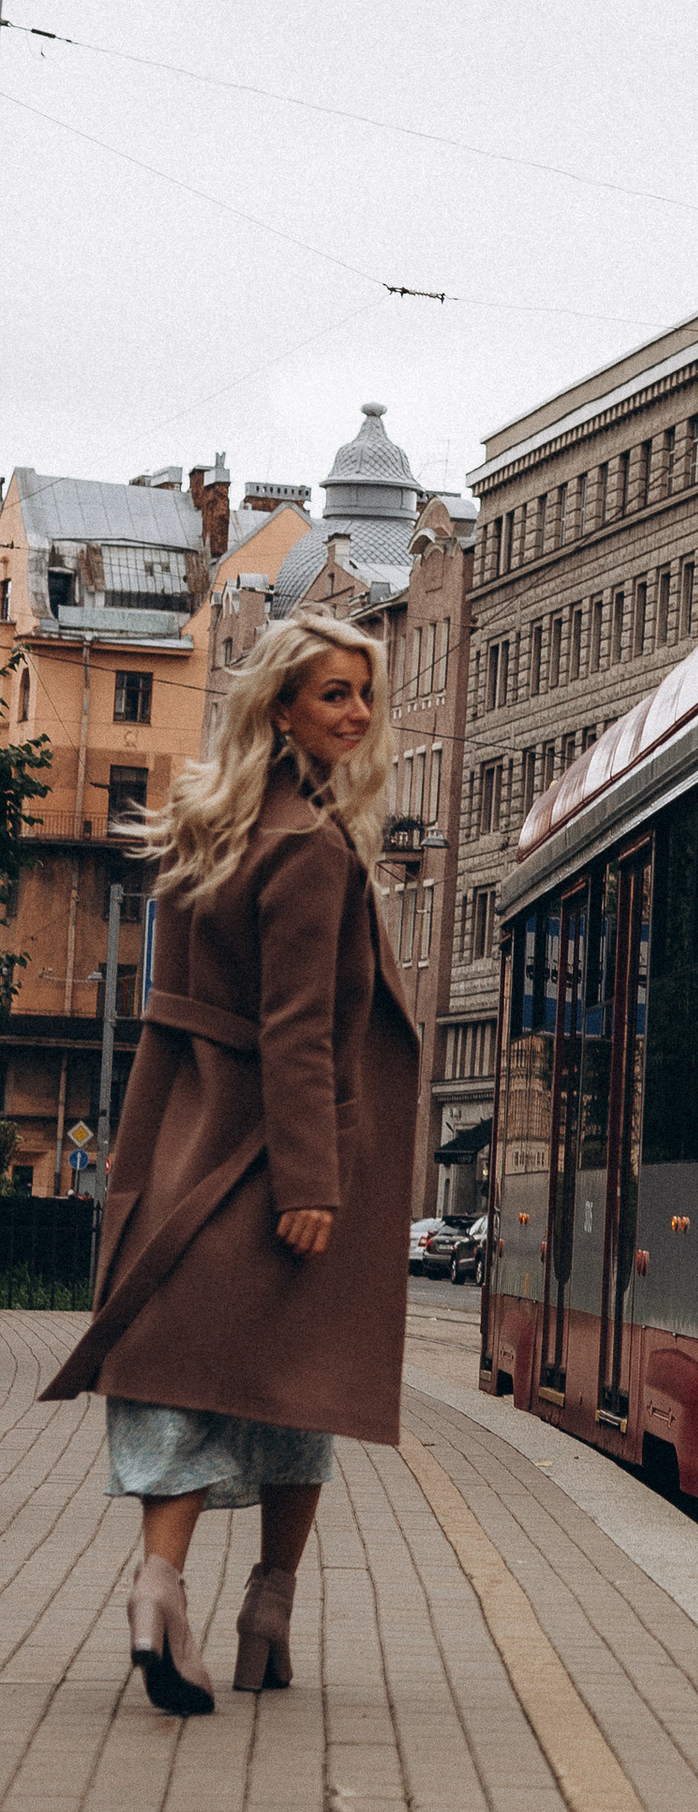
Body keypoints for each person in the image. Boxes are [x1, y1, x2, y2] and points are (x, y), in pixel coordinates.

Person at [43, 612, 417, 1714]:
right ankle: (268, 1607)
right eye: (334, 694)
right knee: (303, 1376)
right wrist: (312, 1180)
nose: (356, 714)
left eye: (364, 694)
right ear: (282, 708)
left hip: (185, 1132)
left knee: (182, 1370)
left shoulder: (209, 828)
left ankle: (160, 1590)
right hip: (276, 1146)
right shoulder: (309, 848)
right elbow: (299, 1029)